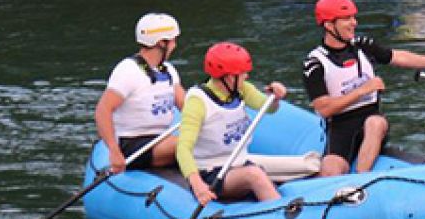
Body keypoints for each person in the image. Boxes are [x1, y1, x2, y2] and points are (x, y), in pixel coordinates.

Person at [304, 0, 425, 176]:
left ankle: (362, 178)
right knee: (330, 168)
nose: (354, 23)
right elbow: (324, 109)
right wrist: (362, 90)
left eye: (353, 17)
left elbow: (398, 57)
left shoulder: (362, 45)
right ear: (329, 25)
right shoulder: (314, 63)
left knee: (375, 123)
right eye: (346, 19)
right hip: (340, 128)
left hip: (372, 122)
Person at [177, 42, 287, 205]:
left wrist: (276, 97)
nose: (246, 76)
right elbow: (183, 149)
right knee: (254, 175)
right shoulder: (197, 102)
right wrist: (197, 184)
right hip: (210, 173)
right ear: (228, 76)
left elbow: (269, 108)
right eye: (242, 73)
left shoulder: (242, 90)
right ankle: (281, 215)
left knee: (287, 168)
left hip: (239, 162)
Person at [95, 13, 186, 174]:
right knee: (190, 144)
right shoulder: (128, 71)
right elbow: (103, 111)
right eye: (172, 40)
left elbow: (187, 107)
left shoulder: (169, 70)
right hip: (132, 145)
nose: (174, 45)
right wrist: (114, 152)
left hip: (159, 140)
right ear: (161, 43)